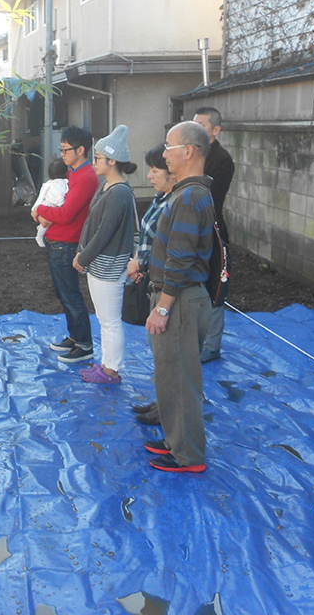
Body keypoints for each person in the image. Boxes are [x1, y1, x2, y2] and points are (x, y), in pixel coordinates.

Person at [143, 121, 215, 473]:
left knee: (182, 382)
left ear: (188, 151)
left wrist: (162, 307)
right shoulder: (187, 193)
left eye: (169, 147)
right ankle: (176, 439)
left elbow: (181, 258)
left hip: (181, 302)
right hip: (179, 300)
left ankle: (188, 455)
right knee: (170, 375)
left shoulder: (189, 197)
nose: (165, 153)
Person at [72, 125, 138, 383]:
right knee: (104, 318)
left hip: (108, 266)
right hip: (99, 265)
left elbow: (104, 233)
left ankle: (111, 370)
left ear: (112, 160)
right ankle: (106, 364)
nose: (95, 161)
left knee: (110, 320)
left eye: (98, 158)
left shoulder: (120, 192)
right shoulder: (108, 187)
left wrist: (82, 257)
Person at [33, 125, 99, 364]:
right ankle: (75, 335)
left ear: (80, 150)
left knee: (71, 294)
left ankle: (84, 343)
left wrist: (40, 209)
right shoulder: (73, 172)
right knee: (64, 293)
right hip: (58, 241)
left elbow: (66, 213)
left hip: (66, 242)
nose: (62, 154)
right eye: (61, 149)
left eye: (65, 149)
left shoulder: (85, 177)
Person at [125, 145, 177, 425]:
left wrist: (141, 265)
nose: (150, 176)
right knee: (157, 349)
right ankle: (160, 402)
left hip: (164, 284)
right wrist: (138, 262)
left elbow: (172, 250)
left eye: (156, 170)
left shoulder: (177, 204)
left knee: (167, 353)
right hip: (149, 278)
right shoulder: (160, 199)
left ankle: (166, 410)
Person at [194, 107, 234, 363]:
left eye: (201, 125)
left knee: (215, 289)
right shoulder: (192, 152)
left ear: (216, 130)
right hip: (191, 228)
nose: (196, 129)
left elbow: (210, 200)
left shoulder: (221, 160)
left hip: (211, 231)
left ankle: (211, 345)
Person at [31, 159, 70, 247]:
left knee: (45, 223)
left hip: (46, 204)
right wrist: (62, 204)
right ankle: (39, 235)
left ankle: (40, 230)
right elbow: (60, 196)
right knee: (46, 223)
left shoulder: (49, 183)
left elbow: (41, 195)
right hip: (50, 205)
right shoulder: (61, 183)